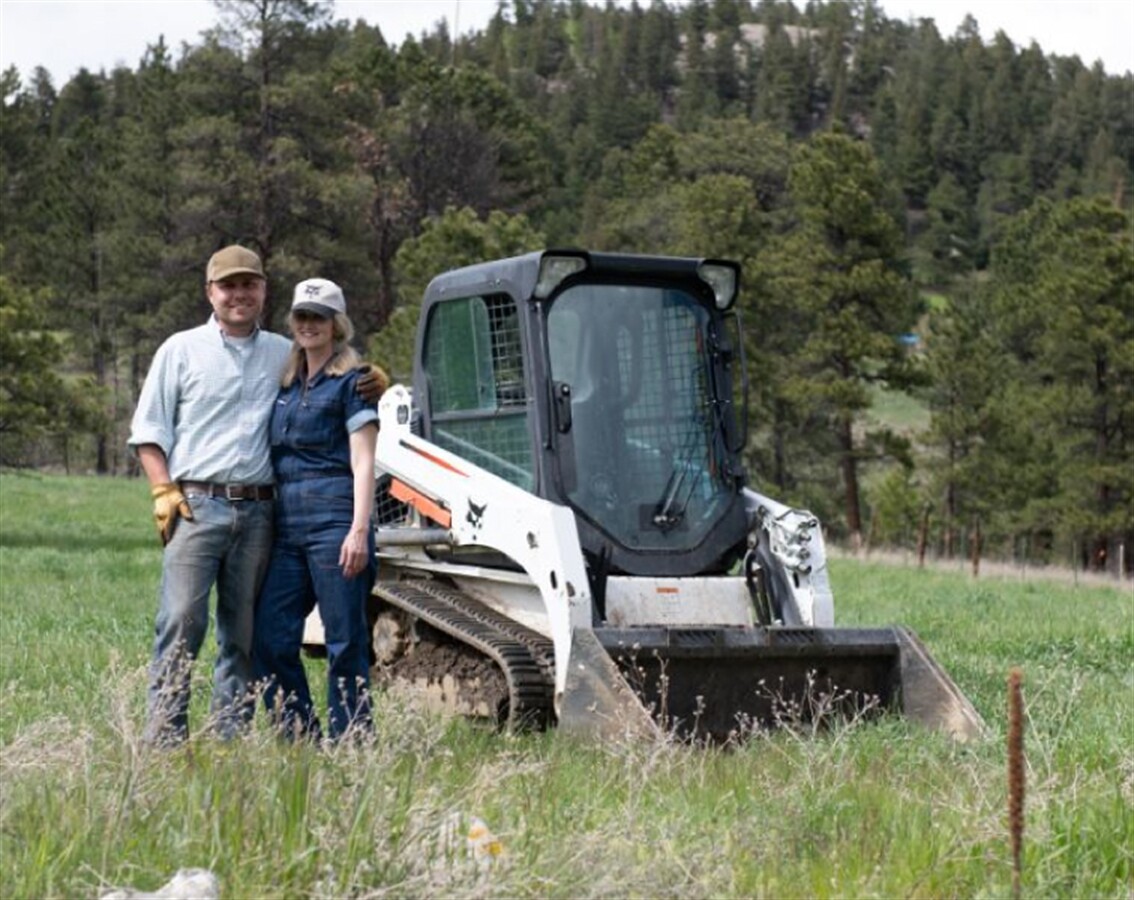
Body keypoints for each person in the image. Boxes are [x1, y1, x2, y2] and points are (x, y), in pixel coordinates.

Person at [129, 246, 383, 746]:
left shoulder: (279, 353)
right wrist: (162, 489)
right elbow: (148, 432)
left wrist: (370, 380)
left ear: (264, 291)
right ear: (210, 292)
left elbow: (334, 370)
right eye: (229, 286)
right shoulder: (179, 350)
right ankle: (163, 740)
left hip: (262, 512)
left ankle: (229, 739)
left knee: (243, 635)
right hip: (195, 507)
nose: (239, 294)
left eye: (249, 285)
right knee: (181, 620)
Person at [252, 277, 380, 743]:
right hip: (287, 525)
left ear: (336, 324)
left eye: (319, 317)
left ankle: (352, 741)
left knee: (344, 640)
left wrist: (358, 530)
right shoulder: (285, 383)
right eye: (302, 316)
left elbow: (364, 460)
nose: (309, 325)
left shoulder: (353, 383)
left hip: (335, 520)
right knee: (269, 636)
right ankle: (300, 735)